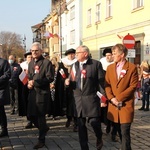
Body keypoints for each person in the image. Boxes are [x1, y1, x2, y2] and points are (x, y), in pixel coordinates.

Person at [65, 45, 105, 150]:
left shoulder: (96, 64)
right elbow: (71, 79)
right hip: (78, 99)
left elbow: (101, 83)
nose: (75, 55)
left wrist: (103, 98)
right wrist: (67, 82)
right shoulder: (75, 65)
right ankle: (84, 147)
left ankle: (99, 136)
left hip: (91, 98)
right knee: (80, 125)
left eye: (78, 53)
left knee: (94, 122)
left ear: (85, 54)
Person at [105, 43, 138, 150]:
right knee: (118, 131)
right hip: (114, 106)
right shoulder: (110, 68)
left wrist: (119, 98)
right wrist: (112, 98)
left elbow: (133, 86)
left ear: (122, 55)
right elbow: (107, 85)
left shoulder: (132, 68)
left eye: (115, 53)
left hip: (125, 105)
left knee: (125, 132)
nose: (112, 55)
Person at [27, 42, 54, 149]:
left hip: (42, 94)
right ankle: (44, 128)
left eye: (36, 51)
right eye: (32, 51)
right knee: (31, 116)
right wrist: (29, 82)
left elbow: (50, 78)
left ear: (41, 51)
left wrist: (36, 82)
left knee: (40, 117)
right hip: (33, 93)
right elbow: (30, 76)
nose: (34, 52)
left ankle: (41, 140)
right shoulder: (31, 63)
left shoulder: (46, 63)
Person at [61, 48, 78, 132]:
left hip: (75, 87)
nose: (71, 55)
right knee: (67, 104)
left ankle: (76, 122)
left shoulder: (77, 63)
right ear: (67, 55)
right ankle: (68, 118)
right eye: (69, 54)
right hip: (65, 87)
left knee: (75, 105)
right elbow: (59, 74)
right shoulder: (62, 63)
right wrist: (64, 81)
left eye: (73, 54)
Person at [20, 52, 33, 128]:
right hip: (25, 87)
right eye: (28, 57)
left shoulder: (36, 65)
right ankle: (29, 120)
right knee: (27, 103)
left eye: (31, 57)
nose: (30, 59)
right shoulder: (22, 66)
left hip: (34, 86)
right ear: (26, 58)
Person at [0, 57, 11, 137]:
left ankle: (4, 129)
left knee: (0, 109)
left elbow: (7, 74)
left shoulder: (3, 62)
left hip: (1, 89)